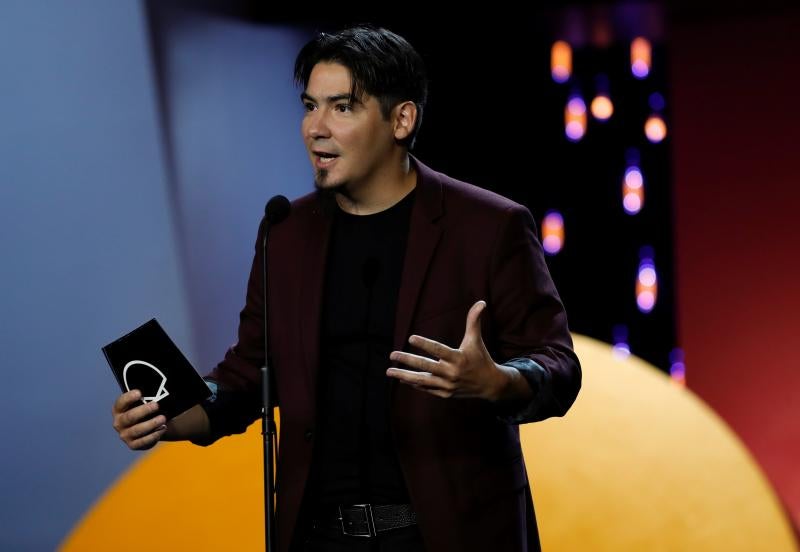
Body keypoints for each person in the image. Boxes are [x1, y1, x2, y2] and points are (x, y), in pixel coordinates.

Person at [112, 26, 581, 552]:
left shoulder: (489, 226)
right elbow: (247, 377)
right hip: (318, 537)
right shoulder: (285, 231)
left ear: (401, 119)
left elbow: (558, 365)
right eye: (310, 106)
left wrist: (498, 381)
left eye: (342, 108)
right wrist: (171, 416)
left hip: (446, 533)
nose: (315, 128)